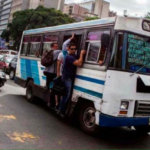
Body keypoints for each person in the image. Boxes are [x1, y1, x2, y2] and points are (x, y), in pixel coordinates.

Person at [58, 44, 86, 117]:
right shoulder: (69, 57)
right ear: (68, 49)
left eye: (75, 49)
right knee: (66, 95)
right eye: (72, 49)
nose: (73, 50)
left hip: (69, 78)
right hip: (67, 78)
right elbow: (79, 63)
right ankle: (61, 110)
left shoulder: (73, 56)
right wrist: (82, 54)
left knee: (66, 94)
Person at [43, 43, 61, 107]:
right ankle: (50, 102)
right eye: (56, 46)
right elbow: (64, 51)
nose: (57, 47)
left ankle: (47, 100)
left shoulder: (49, 52)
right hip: (52, 73)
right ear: (53, 47)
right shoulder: (55, 52)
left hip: (47, 72)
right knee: (53, 88)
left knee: (48, 87)